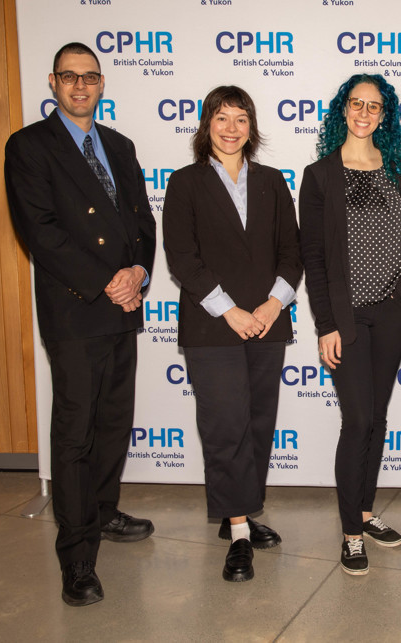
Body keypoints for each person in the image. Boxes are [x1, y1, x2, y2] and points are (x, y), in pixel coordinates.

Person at [4, 42, 156, 607]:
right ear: (52, 82)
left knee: (115, 424)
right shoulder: (28, 146)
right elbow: (40, 232)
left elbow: (142, 219)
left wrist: (138, 271)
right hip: (77, 308)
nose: (80, 86)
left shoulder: (119, 144)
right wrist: (107, 282)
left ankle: (104, 511)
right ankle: (77, 555)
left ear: (101, 83)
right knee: (75, 434)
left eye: (90, 77)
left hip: (123, 307)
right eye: (69, 77)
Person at [162, 86, 302, 583]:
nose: (231, 128)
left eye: (241, 119)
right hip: (212, 327)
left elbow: (293, 252)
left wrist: (269, 304)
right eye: (221, 118)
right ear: (206, 125)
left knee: (259, 423)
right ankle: (239, 532)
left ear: (252, 127)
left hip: (268, 322)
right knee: (225, 427)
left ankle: (242, 509)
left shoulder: (272, 182)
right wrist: (231, 312)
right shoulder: (184, 184)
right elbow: (183, 259)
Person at [299, 74, 401, 576]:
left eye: (374, 106)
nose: (364, 113)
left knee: (377, 416)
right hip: (347, 318)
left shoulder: (396, 167)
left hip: (393, 314)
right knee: (357, 420)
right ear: (342, 110)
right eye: (357, 104)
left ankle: (367, 511)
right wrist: (326, 323)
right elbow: (313, 255)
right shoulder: (320, 174)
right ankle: (351, 532)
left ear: (384, 115)